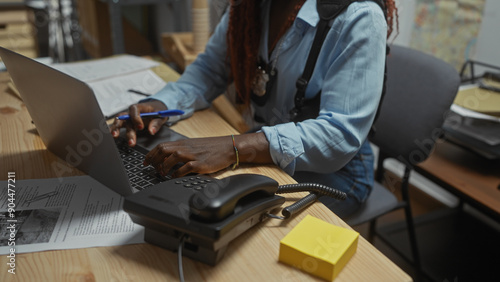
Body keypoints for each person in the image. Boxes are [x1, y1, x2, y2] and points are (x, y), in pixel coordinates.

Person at [110, 0, 398, 218]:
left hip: (339, 173)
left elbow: (339, 135)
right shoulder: (250, 5)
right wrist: (162, 105)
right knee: (192, 192)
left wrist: (234, 147)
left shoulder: (360, 16)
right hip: (265, 143)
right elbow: (210, 71)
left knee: (231, 219)